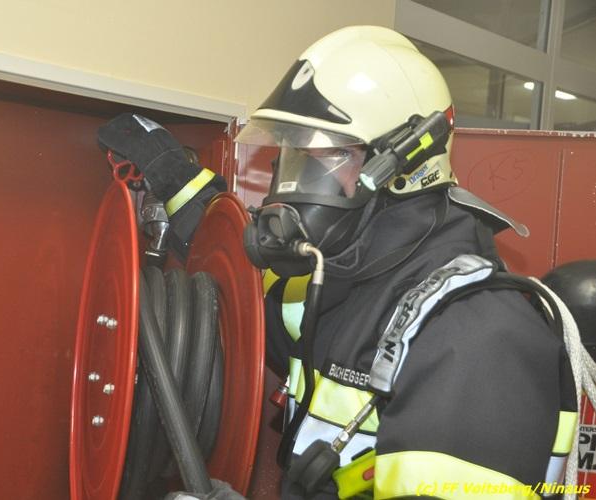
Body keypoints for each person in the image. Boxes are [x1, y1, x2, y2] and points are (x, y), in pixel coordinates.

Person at [99, 26, 577, 500]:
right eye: (297, 157)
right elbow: (246, 290)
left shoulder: (477, 338)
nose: (303, 182)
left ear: (404, 166)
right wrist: (175, 178)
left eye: (332, 157)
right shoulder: (341, 277)